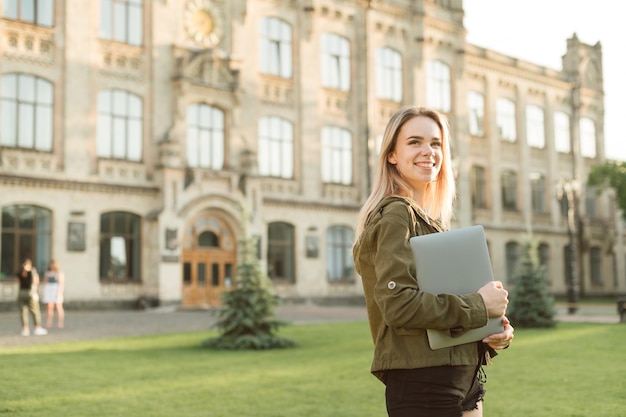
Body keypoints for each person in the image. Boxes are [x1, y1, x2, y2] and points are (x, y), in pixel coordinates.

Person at [353, 106, 514, 417]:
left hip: (461, 380)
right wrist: (480, 306)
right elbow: (399, 306)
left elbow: (444, 313)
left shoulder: (432, 223)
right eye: (414, 142)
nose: (428, 151)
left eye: (436, 143)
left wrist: (493, 333)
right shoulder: (397, 214)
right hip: (425, 386)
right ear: (392, 155)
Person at [16, 259, 48, 336]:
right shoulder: (32, 271)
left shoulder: (19, 272)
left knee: (23, 311)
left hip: (21, 292)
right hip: (31, 292)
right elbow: (35, 282)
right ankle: (37, 327)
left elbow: (19, 283)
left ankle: (25, 329)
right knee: (35, 311)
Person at [42, 260, 65, 329]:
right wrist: (43, 292)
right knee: (49, 307)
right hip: (48, 290)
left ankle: (60, 322)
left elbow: (61, 284)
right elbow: (45, 283)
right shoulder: (47, 273)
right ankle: (49, 322)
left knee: (58, 307)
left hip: (56, 290)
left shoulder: (59, 273)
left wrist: (59, 293)